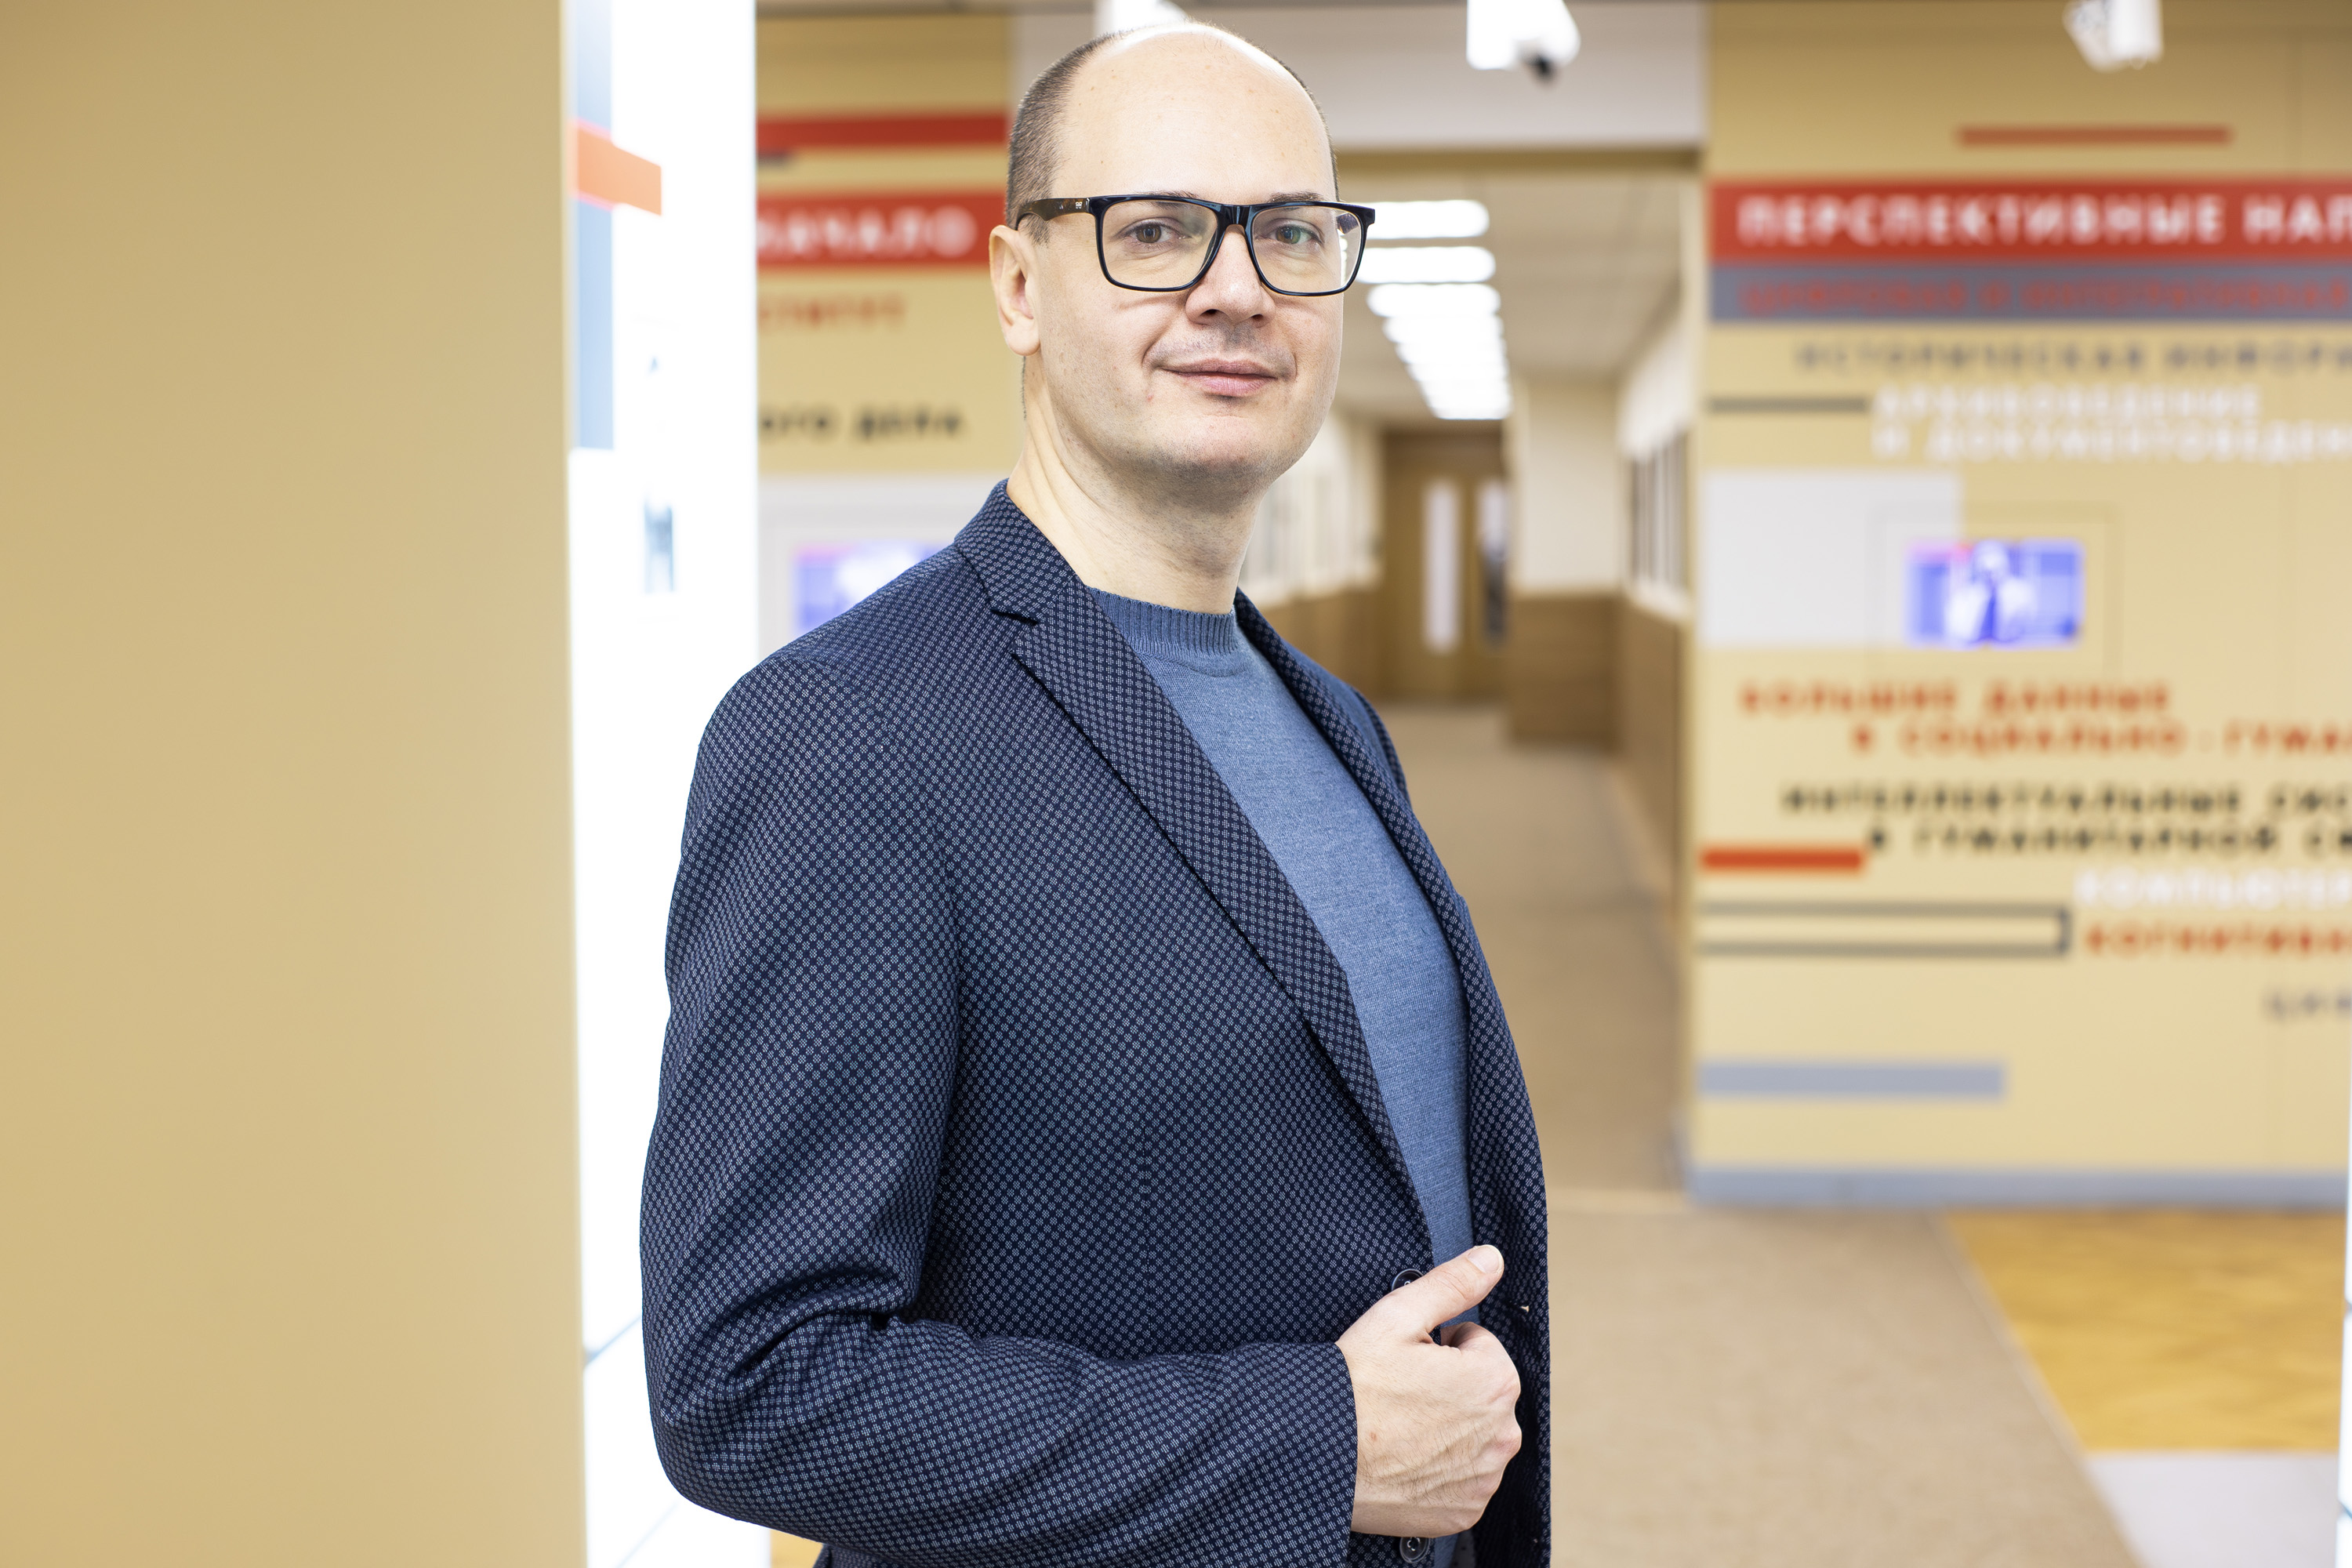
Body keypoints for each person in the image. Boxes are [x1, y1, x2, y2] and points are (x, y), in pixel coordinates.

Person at [641, 23, 1549, 1568]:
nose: (1236, 288)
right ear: (1018, 284)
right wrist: (1318, 1445)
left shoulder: (1331, 720)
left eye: (1291, 234)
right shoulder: (849, 735)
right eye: (1156, 229)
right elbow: (753, 1380)